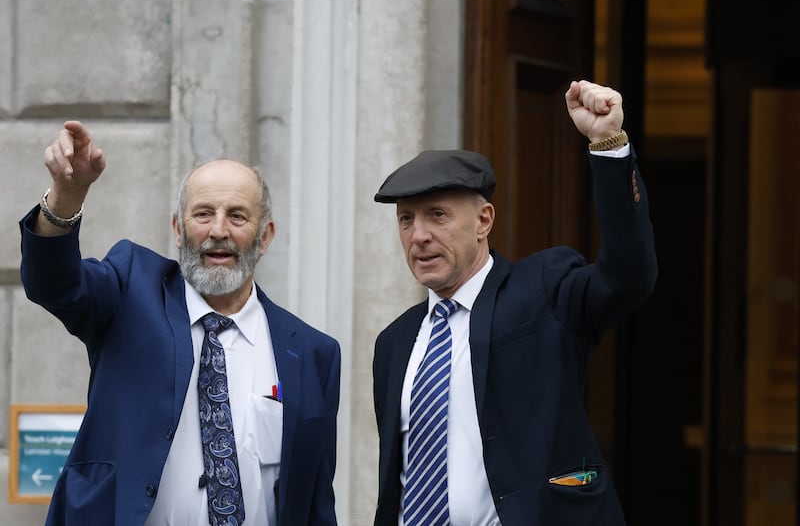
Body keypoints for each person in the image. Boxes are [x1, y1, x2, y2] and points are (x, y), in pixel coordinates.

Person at [19, 121, 341, 526]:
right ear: (177, 228)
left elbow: (313, 501)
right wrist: (67, 196)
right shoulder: (130, 291)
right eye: (202, 214)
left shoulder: (313, 353)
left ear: (265, 237)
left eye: (237, 217)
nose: (218, 231)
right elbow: (53, 283)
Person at [371, 80, 657, 526]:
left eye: (437, 215)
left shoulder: (543, 290)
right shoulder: (395, 343)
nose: (419, 235)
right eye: (406, 219)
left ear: (484, 220)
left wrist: (608, 145)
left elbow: (629, 275)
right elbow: (397, 481)